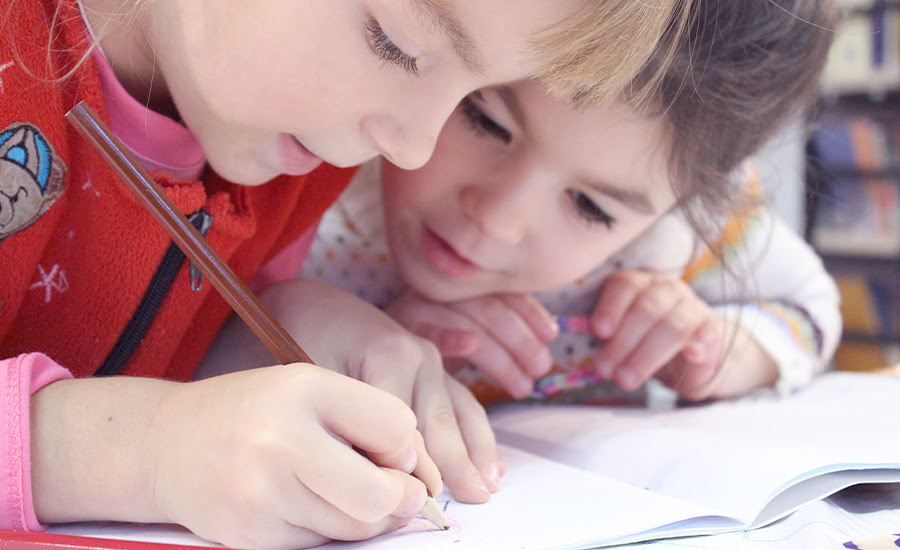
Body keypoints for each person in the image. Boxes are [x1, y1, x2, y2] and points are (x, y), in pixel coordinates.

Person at [0, 0, 691, 548]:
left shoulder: (294, 153)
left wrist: (278, 332)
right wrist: (142, 452)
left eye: (474, 92)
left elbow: (135, 358)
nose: (415, 148)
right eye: (399, 45)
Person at [288, 0, 842, 406]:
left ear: (684, 205)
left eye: (590, 207)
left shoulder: (680, 238)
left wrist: (725, 352)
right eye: (485, 121)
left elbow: (812, 308)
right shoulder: (311, 172)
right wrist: (358, 347)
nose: (498, 219)